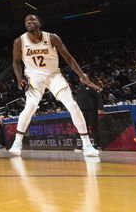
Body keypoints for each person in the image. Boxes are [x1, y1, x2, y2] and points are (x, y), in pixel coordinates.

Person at [9, 14, 102, 157]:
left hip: (53, 75)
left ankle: (87, 145)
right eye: (26, 20)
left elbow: (68, 58)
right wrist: (19, 77)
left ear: (40, 22)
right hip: (34, 76)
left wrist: (82, 76)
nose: (29, 22)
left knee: (72, 105)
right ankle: (17, 142)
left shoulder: (52, 37)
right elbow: (15, 61)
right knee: (30, 106)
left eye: (32, 19)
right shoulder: (19, 41)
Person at [76, 79, 104, 147]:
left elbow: (98, 97)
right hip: (83, 111)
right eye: (81, 78)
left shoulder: (91, 86)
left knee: (94, 127)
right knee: (84, 128)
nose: (82, 79)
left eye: (84, 77)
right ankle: (86, 144)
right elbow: (78, 99)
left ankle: (97, 144)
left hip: (92, 110)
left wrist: (100, 108)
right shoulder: (79, 88)